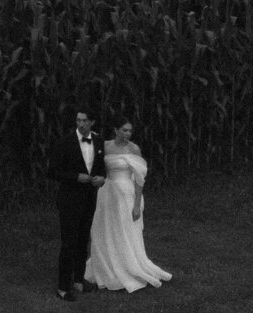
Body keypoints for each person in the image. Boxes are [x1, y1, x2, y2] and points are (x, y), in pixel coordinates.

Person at [85, 121, 171, 292]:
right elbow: (96, 164)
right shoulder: (105, 146)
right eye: (124, 130)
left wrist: (137, 204)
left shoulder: (134, 149)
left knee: (124, 230)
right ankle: (106, 265)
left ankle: (128, 266)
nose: (128, 133)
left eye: (130, 131)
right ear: (116, 130)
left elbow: (139, 179)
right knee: (104, 229)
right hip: (107, 193)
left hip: (126, 194)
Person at [51, 109, 106, 300]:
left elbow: (100, 168)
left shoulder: (98, 141)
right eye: (78, 120)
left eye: (84, 121)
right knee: (69, 243)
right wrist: (76, 177)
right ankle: (63, 288)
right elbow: (53, 171)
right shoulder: (65, 143)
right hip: (69, 200)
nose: (80, 124)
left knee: (83, 241)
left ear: (92, 122)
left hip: (89, 199)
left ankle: (79, 280)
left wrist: (102, 178)